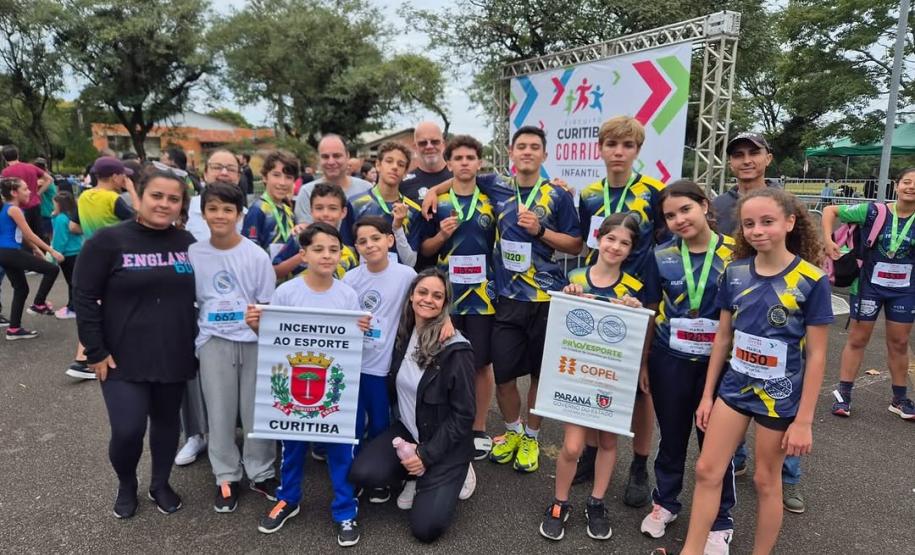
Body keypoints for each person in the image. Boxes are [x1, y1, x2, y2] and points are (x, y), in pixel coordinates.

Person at [680, 188, 832, 555]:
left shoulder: (811, 279)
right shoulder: (733, 273)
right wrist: (707, 396)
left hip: (779, 396)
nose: (757, 230)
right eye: (749, 223)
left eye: (767, 221)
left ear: (790, 222)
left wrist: (804, 421)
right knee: (706, 470)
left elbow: (817, 356)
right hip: (734, 389)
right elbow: (722, 339)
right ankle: (691, 550)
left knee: (766, 480)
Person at [422, 126, 582, 474]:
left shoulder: (557, 196)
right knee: (505, 373)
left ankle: (531, 436)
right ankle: (511, 431)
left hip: (545, 295)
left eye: (534, 147)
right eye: (521, 146)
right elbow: (461, 176)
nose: (527, 152)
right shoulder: (496, 185)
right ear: (511, 153)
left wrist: (540, 231)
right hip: (506, 297)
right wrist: (433, 190)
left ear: (544, 155)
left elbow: (576, 244)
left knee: (540, 374)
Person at [73, 165, 196, 519]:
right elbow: (84, 296)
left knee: (166, 423)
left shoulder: (187, 244)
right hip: (120, 357)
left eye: (173, 199)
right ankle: (127, 483)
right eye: (156, 196)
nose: (164, 204)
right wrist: (94, 350)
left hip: (173, 352)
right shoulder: (108, 242)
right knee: (127, 430)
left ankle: (160, 483)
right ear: (137, 196)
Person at [244, 222, 368, 547]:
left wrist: (362, 332)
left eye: (333, 249)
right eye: (318, 249)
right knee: (292, 448)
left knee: (342, 451)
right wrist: (258, 327)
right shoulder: (286, 292)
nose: (326, 255)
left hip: (335, 394)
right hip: (294, 393)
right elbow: (274, 343)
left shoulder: (347, 295)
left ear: (341, 253)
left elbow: (355, 346)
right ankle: (288, 498)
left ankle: (344, 510)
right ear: (303, 254)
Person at [639, 181, 736, 553]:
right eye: (670, 215)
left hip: (722, 365)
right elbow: (650, 310)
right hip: (670, 360)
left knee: (716, 443)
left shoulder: (735, 254)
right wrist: (647, 360)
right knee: (673, 436)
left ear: (704, 205)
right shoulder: (660, 255)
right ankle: (665, 502)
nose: (679, 219)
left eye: (685, 210)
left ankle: (721, 519)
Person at [575, 115, 666, 505]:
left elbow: (665, 244)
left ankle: (639, 465)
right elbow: (584, 244)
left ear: (637, 151)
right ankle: (593, 452)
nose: (619, 152)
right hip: (600, 298)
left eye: (627, 146)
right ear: (601, 148)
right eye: (612, 144)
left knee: (641, 388)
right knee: (597, 377)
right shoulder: (590, 194)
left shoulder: (653, 193)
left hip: (641, 300)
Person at [539, 213, 645, 542]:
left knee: (609, 442)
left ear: (631, 250)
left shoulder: (633, 288)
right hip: (577, 379)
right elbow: (558, 327)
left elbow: (635, 338)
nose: (615, 247)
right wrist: (569, 296)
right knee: (572, 447)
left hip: (611, 379)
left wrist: (634, 310)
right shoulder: (575, 277)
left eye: (624, 243)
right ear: (598, 238)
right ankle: (560, 501)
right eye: (611, 239)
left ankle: (596, 502)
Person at [349, 268, 476, 543]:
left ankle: (453, 471)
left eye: (437, 295)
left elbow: (464, 415)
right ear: (411, 297)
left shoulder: (456, 349)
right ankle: (414, 471)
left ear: (445, 303)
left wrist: (426, 454)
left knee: (425, 529)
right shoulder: (404, 332)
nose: (428, 299)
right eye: (422, 292)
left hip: (445, 445)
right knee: (363, 473)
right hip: (408, 430)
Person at [714, 132, 805, 514]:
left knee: (783, 394)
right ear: (731, 163)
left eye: (754, 153)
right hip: (736, 311)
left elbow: (804, 256)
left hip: (781, 317)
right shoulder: (720, 204)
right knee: (732, 385)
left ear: (768, 158)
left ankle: (788, 477)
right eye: (738, 155)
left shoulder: (784, 202)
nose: (746, 160)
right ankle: (735, 458)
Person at [188, 182, 278, 513]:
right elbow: (193, 301)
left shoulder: (255, 255)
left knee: (256, 411)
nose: (220, 215)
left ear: (239, 214)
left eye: (228, 209)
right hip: (214, 341)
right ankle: (225, 474)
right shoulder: (194, 253)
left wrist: (259, 323)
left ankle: (261, 471)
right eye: (213, 209)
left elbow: (266, 304)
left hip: (252, 341)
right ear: (203, 213)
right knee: (220, 410)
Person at [420, 135, 496, 460]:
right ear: (448, 163)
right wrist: (442, 234)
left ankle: (478, 426)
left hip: (483, 295)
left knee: (480, 363)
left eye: (470, 157)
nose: (465, 162)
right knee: (441, 358)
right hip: (445, 296)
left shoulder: (493, 196)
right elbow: (424, 251)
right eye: (458, 158)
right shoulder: (438, 202)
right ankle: (444, 421)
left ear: (479, 162)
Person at [822, 167, 915, 420]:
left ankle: (899, 399)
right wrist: (829, 241)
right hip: (867, 287)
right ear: (897, 186)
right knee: (858, 339)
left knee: (899, 342)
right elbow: (830, 211)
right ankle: (844, 395)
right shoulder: (875, 211)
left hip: (904, 291)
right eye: (906, 182)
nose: (911, 187)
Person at [343, 216, 417, 502]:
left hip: (382, 366)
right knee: (352, 423)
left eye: (376, 238)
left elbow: (421, 308)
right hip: (354, 363)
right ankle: (355, 473)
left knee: (380, 423)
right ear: (356, 246)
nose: (370, 245)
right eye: (362, 241)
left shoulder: (405, 275)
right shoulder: (351, 279)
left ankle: (381, 477)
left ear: (389, 239)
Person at [65, 156, 138, 380]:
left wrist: (92, 228)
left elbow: (73, 226)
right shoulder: (112, 198)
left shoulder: (85, 195)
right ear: (116, 176)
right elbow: (140, 217)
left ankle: (81, 359)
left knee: (91, 305)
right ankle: (88, 359)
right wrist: (133, 190)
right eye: (123, 176)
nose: (125, 179)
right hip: (116, 257)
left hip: (89, 253)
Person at [341, 142, 424, 266]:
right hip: (364, 281)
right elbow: (348, 250)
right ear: (378, 165)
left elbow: (411, 262)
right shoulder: (355, 204)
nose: (395, 167)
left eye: (400, 164)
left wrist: (398, 229)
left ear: (405, 172)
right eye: (389, 161)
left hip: (400, 283)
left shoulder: (413, 210)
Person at [0, 177, 62, 340]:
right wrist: (51, 251)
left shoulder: (6, 208)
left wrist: (35, 249)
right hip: (10, 252)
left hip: (5, 254)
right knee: (52, 269)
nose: (29, 192)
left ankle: (14, 329)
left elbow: (21, 233)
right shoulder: (14, 209)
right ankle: (39, 304)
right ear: (14, 192)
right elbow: (29, 233)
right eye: (25, 189)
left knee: (21, 289)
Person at [272, 182, 357, 280]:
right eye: (319, 208)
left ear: (343, 212)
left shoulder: (348, 247)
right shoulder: (299, 238)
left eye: (332, 208)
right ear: (311, 211)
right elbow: (275, 272)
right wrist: (304, 255)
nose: (325, 214)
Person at [294, 135, 372, 224]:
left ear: (347, 156)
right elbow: (305, 233)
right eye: (325, 157)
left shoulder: (366, 189)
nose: (331, 162)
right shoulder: (307, 193)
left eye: (337, 156)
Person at [243, 150, 298, 259]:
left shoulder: (288, 211)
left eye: (288, 177)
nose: (282, 182)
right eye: (276, 175)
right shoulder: (258, 210)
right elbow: (249, 250)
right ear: (264, 177)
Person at [185, 150, 247, 243]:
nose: (224, 173)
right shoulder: (185, 208)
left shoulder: (247, 217)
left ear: (238, 177)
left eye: (231, 169)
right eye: (217, 167)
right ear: (205, 174)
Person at [1, 145, 53, 244]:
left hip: (19, 209)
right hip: (35, 205)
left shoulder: (6, 172)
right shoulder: (30, 167)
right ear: (18, 155)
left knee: (24, 237)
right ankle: (43, 256)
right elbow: (49, 179)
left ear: (4, 157)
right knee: (39, 233)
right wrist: (38, 193)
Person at [50, 191, 84, 320]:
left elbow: (60, 239)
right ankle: (72, 306)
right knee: (75, 281)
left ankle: (73, 308)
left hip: (67, 255)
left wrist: (55, 256)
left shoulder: (60, 219)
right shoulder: (72, 216)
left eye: (54, 205)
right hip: (78, 252)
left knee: (72, 282)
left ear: (59, 205)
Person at [400, 122, 451, 203]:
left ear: (443, 145)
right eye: (423, 143)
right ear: (415, 147)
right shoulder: (403, 184)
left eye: (435, 142)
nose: (429, 146)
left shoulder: (460, 177)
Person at [34, 158, 57, 241]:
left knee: (47, 237)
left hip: (46, 213)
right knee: (50, 237)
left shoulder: (42, 181)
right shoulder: (48, 178)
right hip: (50, 210)